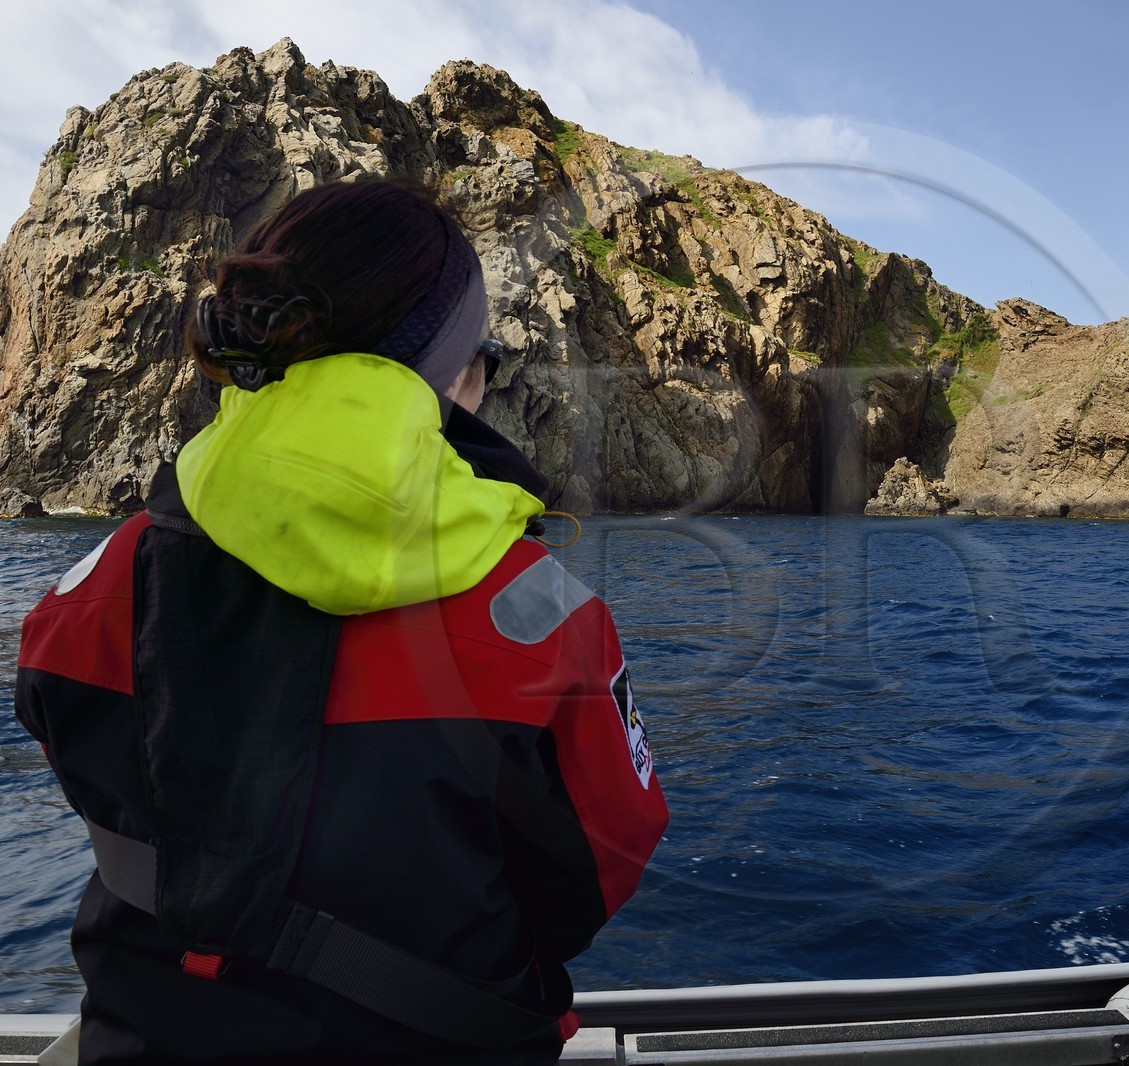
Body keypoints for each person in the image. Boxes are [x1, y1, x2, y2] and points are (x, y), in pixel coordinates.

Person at [14, 178, 669, 1065]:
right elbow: (598, 871)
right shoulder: (542, 617)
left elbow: (75, 765)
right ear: (448, 378)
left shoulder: (87, 590)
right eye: (484, 357)